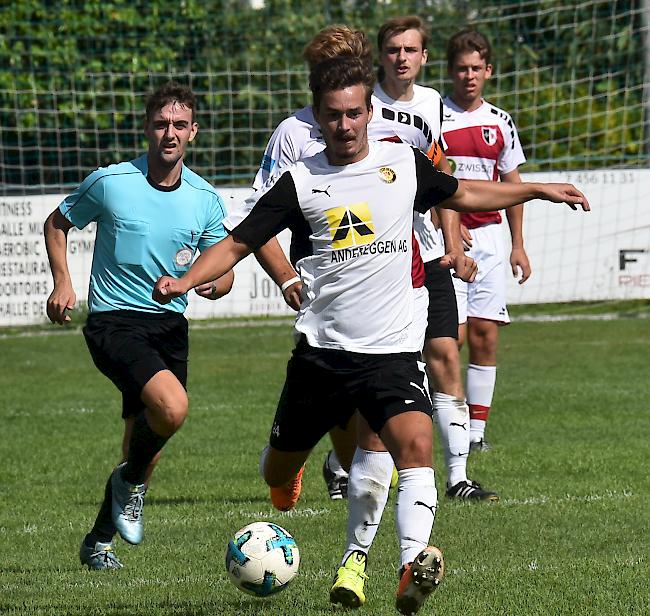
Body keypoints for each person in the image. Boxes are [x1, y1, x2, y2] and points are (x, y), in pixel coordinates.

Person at [152, 56, 589, 614]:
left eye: (355, 113)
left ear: (368, 111)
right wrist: (187, 280)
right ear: (318, 115)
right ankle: (289, 470)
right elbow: (238, 242)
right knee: (276, 471)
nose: (346, 125)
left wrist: (536, 190)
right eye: (333, 116)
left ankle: (412, 564)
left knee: (416, 446)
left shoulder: (402, 163)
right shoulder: (301, 180)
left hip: (391, 352)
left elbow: (466, 194)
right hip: (322, 357)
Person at [43, 82, 235, 571]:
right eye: (159, 124)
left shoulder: (204, 199)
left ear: (193, 131)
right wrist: (63, 282)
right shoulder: (111, 182)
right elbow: (57, 223)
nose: (168, 134)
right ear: (146, 128)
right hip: (113, 322)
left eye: (178, 125)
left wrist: (214, 284)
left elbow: (224, 266)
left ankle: (98, 543)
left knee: (143, 446)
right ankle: (129, 486)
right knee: (172, 408)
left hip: (169, 327)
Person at [251, 24, 376, 501]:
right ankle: (295, 455)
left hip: (386, 280)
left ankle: (369, 481)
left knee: (376, 393)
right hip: (323, 284)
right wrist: (285, 278)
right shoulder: (292, 134)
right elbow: (257, 219)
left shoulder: (380, 123)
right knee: (333, 397)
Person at [442, 28, 531, 451]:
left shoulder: (500, 122)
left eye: (476, 68)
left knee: (485, 334)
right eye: (461, 69)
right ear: (450, 72)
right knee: (450, 336)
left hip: (492, 238)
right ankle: (447, 425)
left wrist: (518, 244)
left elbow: (513, 184)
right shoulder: (434, 117)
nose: (469, 76)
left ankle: (476, 435)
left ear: (488, 71)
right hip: (449, 239)